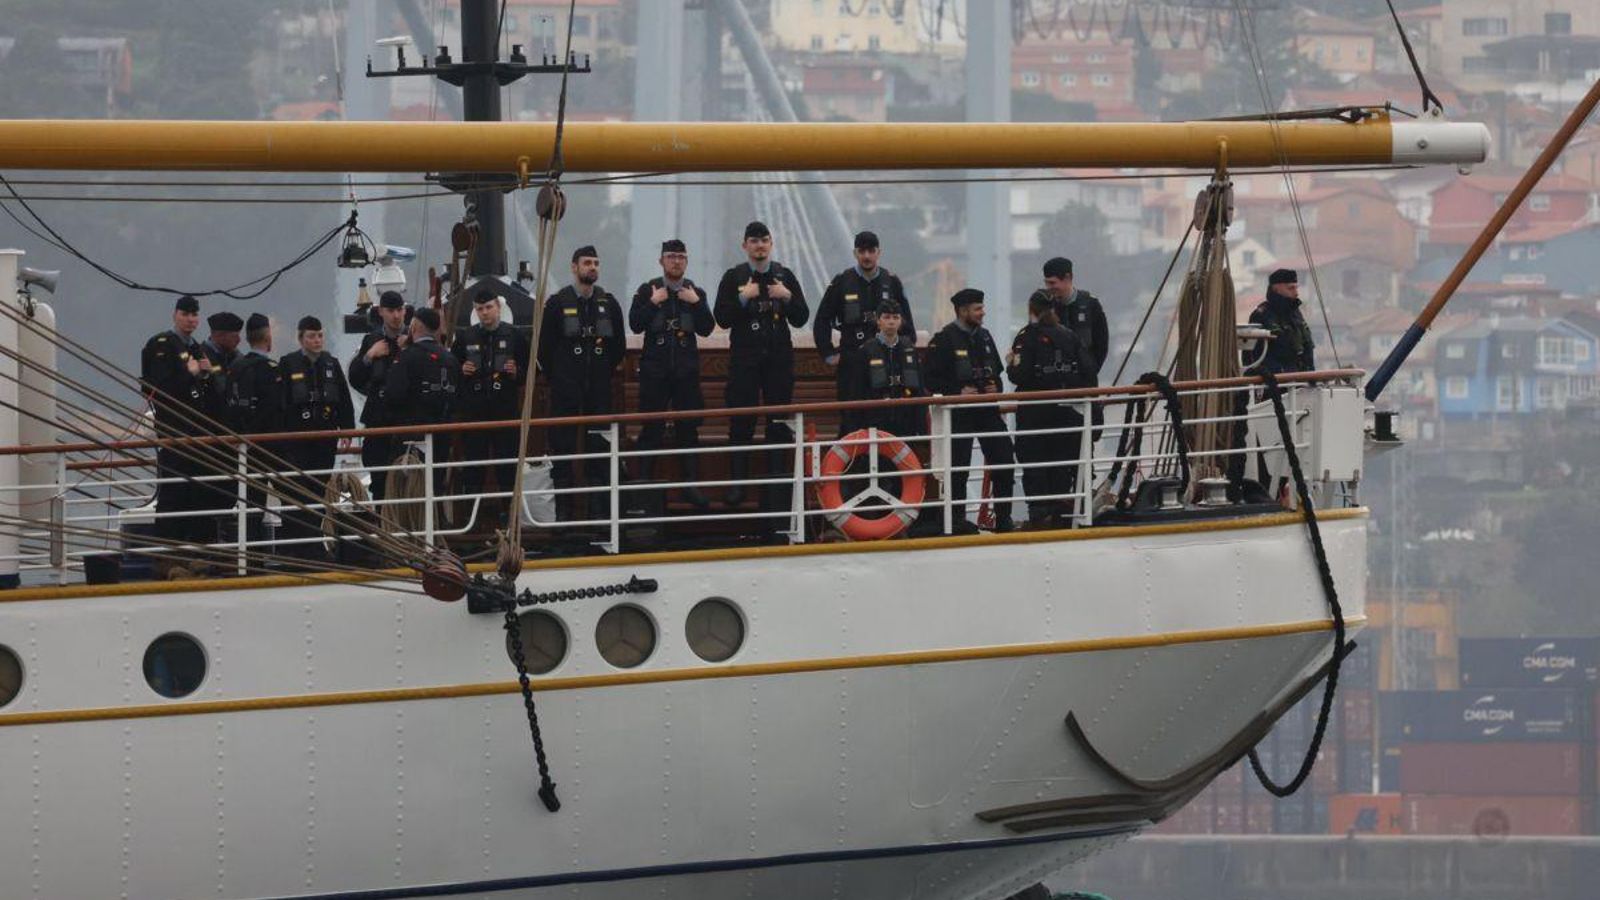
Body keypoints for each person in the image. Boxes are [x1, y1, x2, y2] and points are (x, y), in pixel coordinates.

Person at [712, 221, 809, 507]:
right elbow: (722, 318)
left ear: (771, 244)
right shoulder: (733, 277)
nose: (760, 246)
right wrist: (744, 298)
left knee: (778, 422)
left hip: (778, 359)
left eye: (764, 240)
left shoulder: (784, 275)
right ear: (745, 246)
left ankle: (776, 487)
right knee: (741, 421)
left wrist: (787, 296)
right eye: (754, 241)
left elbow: (802, 317)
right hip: (745, 359)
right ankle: (738, 486)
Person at [538, 246, 625, 521]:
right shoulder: (556, 304)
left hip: (598, 387)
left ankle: (597, 512)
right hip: (565, 386)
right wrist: (560, 376)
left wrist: (602, 370)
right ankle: (564, 512)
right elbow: (544, 348)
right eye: (587, 263)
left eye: (596, 263)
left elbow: (618, 347)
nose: (592, 267)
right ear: (574, 267)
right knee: (562, 446)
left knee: (598, 446)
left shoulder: (609, 304)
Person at [629, 238, 715, 508]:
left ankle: (690, 485)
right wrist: (654, 303)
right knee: (651, 427)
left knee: (688, 428)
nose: (676, 262)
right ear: (661, 261)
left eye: (681, 257)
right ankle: (644, 485)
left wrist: (696, 303)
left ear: (686, 261)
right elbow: (635, 324)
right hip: (655, 371)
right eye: (671, 257)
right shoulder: (647, 290)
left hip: (686, 372)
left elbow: (707, 328)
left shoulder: (695, 291)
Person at [924, 288, 1014, 533]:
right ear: (963, 311)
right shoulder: (944, 340)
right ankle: (957, 520)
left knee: (1004, 459)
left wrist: (996, 387)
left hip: (987, 410)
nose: (982, 312)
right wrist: (957, 391)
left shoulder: (984, 337)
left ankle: (1004, 518)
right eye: (977, 309)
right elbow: (929, 379)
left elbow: (996, 372)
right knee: (958, 467)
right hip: (960, 413)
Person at [1007, 291, 1097, 527]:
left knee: (1034, 463)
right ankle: (1062, 511)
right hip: (1066, 409)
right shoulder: (1069, 335)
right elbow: (1088, 371)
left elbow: (1019, 374)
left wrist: (1010, 363)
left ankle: (1040, 515)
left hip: (1034, 412)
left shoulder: (1026, 337)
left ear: (1032, 310)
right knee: (1061, 462)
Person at [139, 294, 220, 551]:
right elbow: (160, 389)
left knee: (198, 494)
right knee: (173, 493)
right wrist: (189, 373)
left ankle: (197, 552)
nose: (190, 320)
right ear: (175, 315)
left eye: (194, 315)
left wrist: (206, 375)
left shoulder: (196, 348)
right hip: (174, 430)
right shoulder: (162, 345)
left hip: (198, 432)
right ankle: (168, 555)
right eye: (185, 314)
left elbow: (207, 394)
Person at [279, 316, 355, 559]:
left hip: (324, 440)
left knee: (318, 490)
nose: (317, 340)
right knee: (297, 492)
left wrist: (348, 429)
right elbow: (281, 401)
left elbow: (344, 399)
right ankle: (297, 548)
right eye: (311, 336)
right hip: (297, 441)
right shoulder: (288, 364)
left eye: (320, 335)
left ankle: (314, 545)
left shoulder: (331, 363)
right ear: (301, 338)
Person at [814, 230, 913, 407]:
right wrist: (829, 353)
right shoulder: (842, 282)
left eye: (871, 251)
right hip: (852, 358)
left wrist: (904, 350)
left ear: (878, 253)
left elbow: (907, 323)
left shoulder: (891, 282)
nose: (866, 256)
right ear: (855, 253)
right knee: (851, 411)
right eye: (862, 251)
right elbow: (822, 319)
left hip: (886, 359)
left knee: (885, 411)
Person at [452, 289, 529, 511]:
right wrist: (461, 370)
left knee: (507, 465)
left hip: (505, 411)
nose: (485, 313)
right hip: (474, 414)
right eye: (480, 309)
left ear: (498, 307)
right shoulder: (465, 337)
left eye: (488, 307)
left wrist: (516, 373)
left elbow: (530, 373)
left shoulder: (515, 336)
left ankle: (509, 512)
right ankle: (471, 515)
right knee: (474, 466)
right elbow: (452, 370)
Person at [384, 306, 462, 506]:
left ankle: (413, 522)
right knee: (435, 484)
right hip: (442, 434)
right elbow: (458, 396)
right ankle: (434, 519)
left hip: (411, 435)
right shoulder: (450, 359)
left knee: (408, 487)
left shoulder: (406, 357)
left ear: (414, 327)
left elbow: (393, 395)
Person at [222, 313, 284, 544]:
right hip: (269, 446)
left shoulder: (235, 367)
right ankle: (289, 549)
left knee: (250, 501)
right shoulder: (270, 369)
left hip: (242, 445)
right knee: (287, 494)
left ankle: (249, 553)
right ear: (268, 337)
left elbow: (230, 404)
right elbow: (274, 408)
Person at [348, 290, 409, 503]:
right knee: (380, 479)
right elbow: (355, 378)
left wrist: (408, 351)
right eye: (391, 311)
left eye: (399, 310)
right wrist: (369, 355)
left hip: (405, 420)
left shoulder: (412, 339)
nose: (396, 316)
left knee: (408, 481)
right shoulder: (371, 340)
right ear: (381, 312)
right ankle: (382, 517)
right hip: (378, 419)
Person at [844, 298, 925, 439]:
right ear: (878, 321)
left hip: (906, 421)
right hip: (875, 421)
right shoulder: (866, 351)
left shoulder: (910, 349)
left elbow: (919, 390)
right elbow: (856, 392)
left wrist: (921, 426)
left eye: (895, 317)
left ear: (901, 321)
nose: (891, 322)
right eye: (886, 317)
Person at [1042, 257, 1109, 378]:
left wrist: (1090, 370)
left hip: (1084, 382)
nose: (1049, 288)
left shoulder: (1091, 305)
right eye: (1046, 283)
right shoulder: (1045, 309)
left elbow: (1101, 344)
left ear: (1067, 278)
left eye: (1052, 283)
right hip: (1054, 382)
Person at [1249, 268, 1316, 375]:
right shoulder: (1261, 315)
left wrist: (1311, 376)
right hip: (1276, 379)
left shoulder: (1296, 314)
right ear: (1276, 289)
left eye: (1296, 288)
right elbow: (1251, 355)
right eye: (1291, 288)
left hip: (1301, 378)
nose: (1296, 293)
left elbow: (1307, 346)